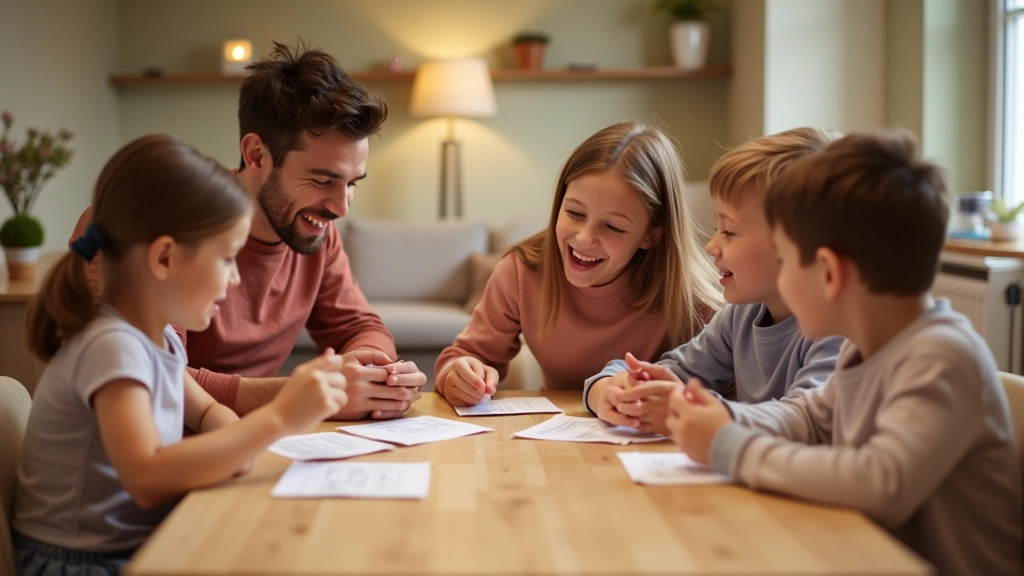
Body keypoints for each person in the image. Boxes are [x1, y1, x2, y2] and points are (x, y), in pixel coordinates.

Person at [666, 131, 1023, 575]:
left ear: (830, 274)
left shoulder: (941, 358)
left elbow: (881, 482)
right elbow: (809, 419)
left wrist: (729, 446)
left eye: (789, 260)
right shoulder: (866, 348)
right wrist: (723, 419)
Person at [13, 135, 349, 576]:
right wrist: (280, 418)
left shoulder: (158, 340)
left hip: (127, 544)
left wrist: (238, 447)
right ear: (165, 258)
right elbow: (148, 478)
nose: (233, 281)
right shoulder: (111, 346)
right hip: (80, 564)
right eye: (227, 259)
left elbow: (208, 410)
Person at [70, 41, 424, 420]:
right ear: (256, 155)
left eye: (353, 183)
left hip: (239, 443)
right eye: (323, 180)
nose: (341, 207)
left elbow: (359, 325)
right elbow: (152, 375)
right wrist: (313, 393)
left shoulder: (315, 228)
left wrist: (377, 374)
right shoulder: (156, 225)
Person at [434, 122, 723, 405]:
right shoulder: (521, 271)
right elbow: (463, 356)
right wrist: (460, 376)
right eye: (574, 213)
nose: (585, 239)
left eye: (613, 227)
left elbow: (723, 396)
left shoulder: (693, 300)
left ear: (651, 235)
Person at [585, 128, 845, 433]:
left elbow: (807, 422)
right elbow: (672, 372)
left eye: (729, 232)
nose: (711, 246)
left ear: (799, 246)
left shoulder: (837, 329)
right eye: (716, 227)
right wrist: (614, 388)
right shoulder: (740, 317)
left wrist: (696, 409)